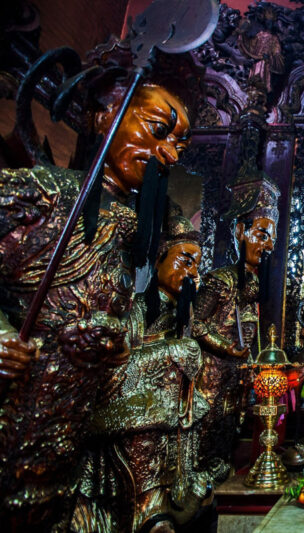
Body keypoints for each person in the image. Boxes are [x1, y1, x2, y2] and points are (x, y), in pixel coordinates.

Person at [0, 83, 190, 530]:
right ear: (107, 115)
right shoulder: (50, 195)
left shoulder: (136, 227)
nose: (171, 155)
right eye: (159, 131)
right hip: (22, 410)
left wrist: (120, 340)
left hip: (79, 428)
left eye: (178, 145)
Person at [73, 215, 211, 533]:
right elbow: (112, 373)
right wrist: (170, 353)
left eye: (196, 265)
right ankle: (147, 511)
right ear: (159, 257)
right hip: (129, 422)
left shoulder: (181, 317)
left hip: (174, 424)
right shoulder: (134, 311)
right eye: (184, 261)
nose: (192, 272)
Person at [191, 163, 280, 484]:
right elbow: (196, 323)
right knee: (207, 426)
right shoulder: (220, 280)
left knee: (230, 428)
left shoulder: (255, 284)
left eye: (271, 238)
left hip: (239, 375)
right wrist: (227, 347)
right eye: (260, 234)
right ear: (240, 232)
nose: (267, 245)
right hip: (212, 372)